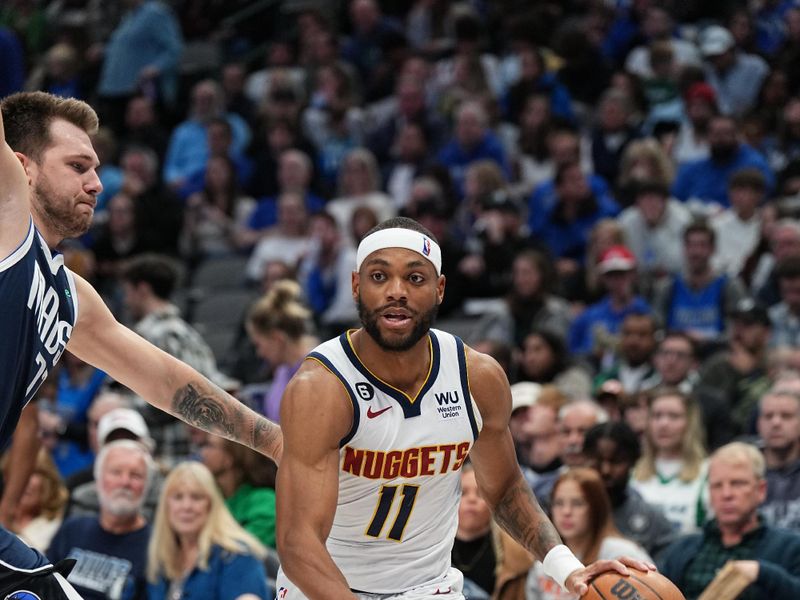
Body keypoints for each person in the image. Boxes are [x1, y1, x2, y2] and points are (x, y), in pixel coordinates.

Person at [274, 217, 652, 599]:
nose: (396, 291)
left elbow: (504, 490)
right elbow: (298, 543)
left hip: (426, 587)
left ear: (439, 289)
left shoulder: (477, 377)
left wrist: (569, 568)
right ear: (356, 285)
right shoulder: (321, 388)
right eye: (379, 276)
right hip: (323, 587)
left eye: (416, 279)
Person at [0, 90, 280, 589]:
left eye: (97, 167)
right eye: (78, 165)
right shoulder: (7, 223)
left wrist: (273, 441)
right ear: (22, 168)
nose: (97, 184)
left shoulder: (70, 296)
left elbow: (166, 379)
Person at [659, 442, 800, 599]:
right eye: (717, 486)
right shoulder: (681, 550)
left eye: (737, 483)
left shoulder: (791, 548)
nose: (726, 494)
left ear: (761, 490)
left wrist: (762, 573)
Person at [146, 461, 269, 600]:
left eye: (196, 497)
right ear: (165, 506)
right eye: (178, 497)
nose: (186, 506)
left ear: (212, 504)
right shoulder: (162, 557)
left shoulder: (237, 555)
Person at [48, 440, 154, 599]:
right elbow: (45, 586)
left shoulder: (155, 546)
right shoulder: (72, 529)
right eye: (116, 472)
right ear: (98, 479)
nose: (125, 482)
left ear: (147, 485)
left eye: (136, 475)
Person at [525, 468, 652, 600]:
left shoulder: (624, 553)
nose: (566, 512)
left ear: (596, 509)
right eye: (559, 503)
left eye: (577, 503)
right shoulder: (546, 560)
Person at [583, 422, 676, 559]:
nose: (606, 470)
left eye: (616, 461)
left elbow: (667, 573)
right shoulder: (562, 510)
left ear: (633, 462)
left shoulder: (652, 519)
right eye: (597, 461)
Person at [631, 388, 710, 534]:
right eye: (656, 416)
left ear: (690, 423)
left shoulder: (707, 473)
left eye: (674, 416)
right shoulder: (633, 475)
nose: (663, 424)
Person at [246, 280, 319, 424]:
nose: (259, 353)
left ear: (277, 338)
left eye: (259, 345)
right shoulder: (282, 372)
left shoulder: (319, 369)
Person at [756, 387, 800, 530]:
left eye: (786, 416)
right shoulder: (743, 471)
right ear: (758, 424)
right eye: (768, 416)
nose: (776, 423)